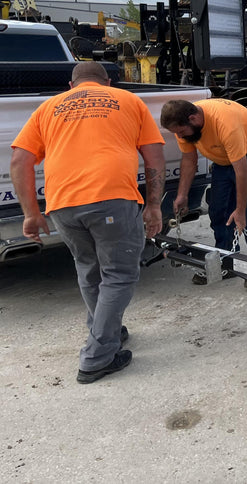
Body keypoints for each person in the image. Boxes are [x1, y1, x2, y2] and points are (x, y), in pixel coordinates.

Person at [10, 61, 165, 384]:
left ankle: (106, 331)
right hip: (112, 196)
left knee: (89, 271)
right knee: (119, 275)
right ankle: (97, 357)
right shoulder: (128, 100)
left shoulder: (48, 107)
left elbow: (20, 160)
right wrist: (153, 205)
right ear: (107, 82)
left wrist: (31, 213)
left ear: (71, 85)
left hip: (62, 204)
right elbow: (153, 157)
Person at [160, 99, 247, 286]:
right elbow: (189, 160)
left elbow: (242, 171)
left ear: (193, 118)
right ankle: (226, 260)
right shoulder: (185, 125)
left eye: (181, 132)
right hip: (223, 157)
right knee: (219, 210)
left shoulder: (226, 124)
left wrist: (240, 210)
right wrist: (182, 195)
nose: (179, 136)